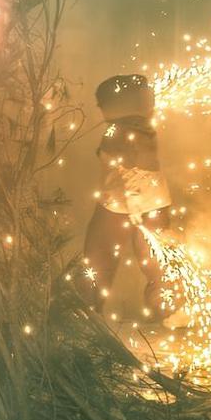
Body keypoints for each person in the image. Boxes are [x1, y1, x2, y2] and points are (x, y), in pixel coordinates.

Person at [80, 73, 172, 315]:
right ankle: (167, 311)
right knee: (157, 263)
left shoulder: (121, 130)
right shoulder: (141, 125)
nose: (99, 108)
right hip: (149, 202)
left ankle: (89, 315)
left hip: (125, 205)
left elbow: (130, 166)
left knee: (99, 260)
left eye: (101, 104)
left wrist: (133, 205)